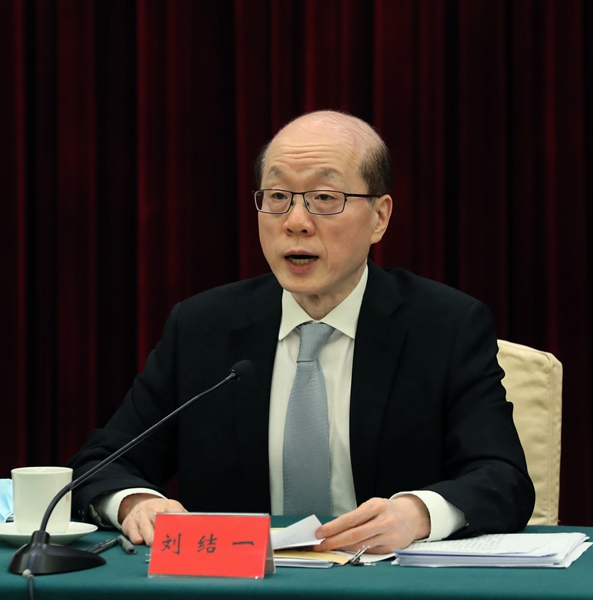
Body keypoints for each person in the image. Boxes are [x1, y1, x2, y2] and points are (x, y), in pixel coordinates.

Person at [66, 111, 534, 553]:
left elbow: (502, 477)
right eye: (277, 197)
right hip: (238, 586)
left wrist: (417, 514)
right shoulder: (203, 328)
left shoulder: (445, 326)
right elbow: (101, 465)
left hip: (385, 584)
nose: (295, 222)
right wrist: (136, 503)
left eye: (324, 199)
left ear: (379, 217)